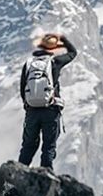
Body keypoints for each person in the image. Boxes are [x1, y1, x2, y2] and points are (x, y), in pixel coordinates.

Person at [18, 32, 77, 171]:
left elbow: (22, 88)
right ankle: (46, 176)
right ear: (53, 49)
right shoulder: (55, 62)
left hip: (32, 111)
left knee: (28, 145)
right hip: (50, 109)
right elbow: (73, 52)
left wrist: (29, 107)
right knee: (49, 146)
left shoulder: (28, 64)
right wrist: (63, 39)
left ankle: (18, 173)